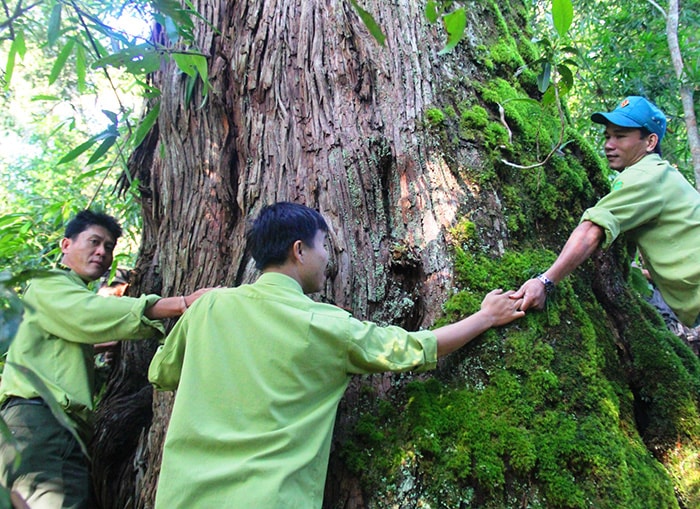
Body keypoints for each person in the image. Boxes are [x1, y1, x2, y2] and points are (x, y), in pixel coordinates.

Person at [148, 201, 525, 508]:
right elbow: (414, 348)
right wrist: (485, 317)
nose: (328, 258)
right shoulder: (323, 325)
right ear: (299, 250)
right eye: (323, 245)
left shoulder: (209, 306)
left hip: (181, 497)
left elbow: (161, 372)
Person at [0, 210, 214, 509]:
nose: (102, 252)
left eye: (109, 247)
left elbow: (50, 345)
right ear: (65, 245)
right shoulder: (49, 283)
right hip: (42, 422)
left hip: (44, 427)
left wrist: (98, 348)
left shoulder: (55, 296)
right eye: (94, 242)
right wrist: (180, 304)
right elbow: (86, 313)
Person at [512, 96, 700, 329]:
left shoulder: (645, 176)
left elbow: (592, 229)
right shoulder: (661, 176)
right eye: (608, 136)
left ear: (650, 142)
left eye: (620, 136)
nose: (609, 145)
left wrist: (545, 281)